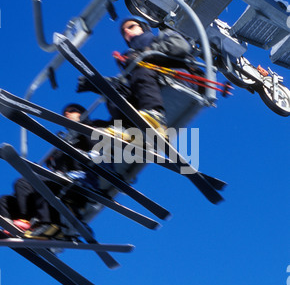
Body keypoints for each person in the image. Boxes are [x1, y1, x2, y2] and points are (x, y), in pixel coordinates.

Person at [77, 17, 194, 137]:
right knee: (114, 92)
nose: (127, 32)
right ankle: (127, 129)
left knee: (141, 70)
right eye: (124, 32)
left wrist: (146, 53)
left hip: (176, 78)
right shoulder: (130, 56)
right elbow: (126, 83)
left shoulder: (161, 37)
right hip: (150, 86)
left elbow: (181, 46)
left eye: (131, 26)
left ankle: (155, 115)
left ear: (143, 27)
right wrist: (98, 83)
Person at [0, 104, 99, 241]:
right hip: (61, 181)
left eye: (72, 111)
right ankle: (12, 224)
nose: (67, 113)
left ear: (83, 114)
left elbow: (99, 153)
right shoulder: (65, 142)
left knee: (26, 182)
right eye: (65, 113)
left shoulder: (92, 130)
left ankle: (33, 222)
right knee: (5, 200)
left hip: (80, 181)